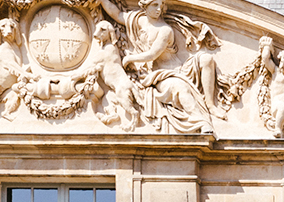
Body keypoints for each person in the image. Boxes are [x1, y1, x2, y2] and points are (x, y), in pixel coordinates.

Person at [93, 0, 219, 133]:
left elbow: (153, 54)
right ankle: (200, 120)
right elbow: (118, 15)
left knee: (207, 59)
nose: (159, 9)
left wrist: (130, 58)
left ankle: (210, 105)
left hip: (173, 69)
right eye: (155, 5)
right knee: (179, 87)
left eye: (161, 5)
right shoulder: (140, 20)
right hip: (158, 74)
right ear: (145, 7)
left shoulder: (165, 30)